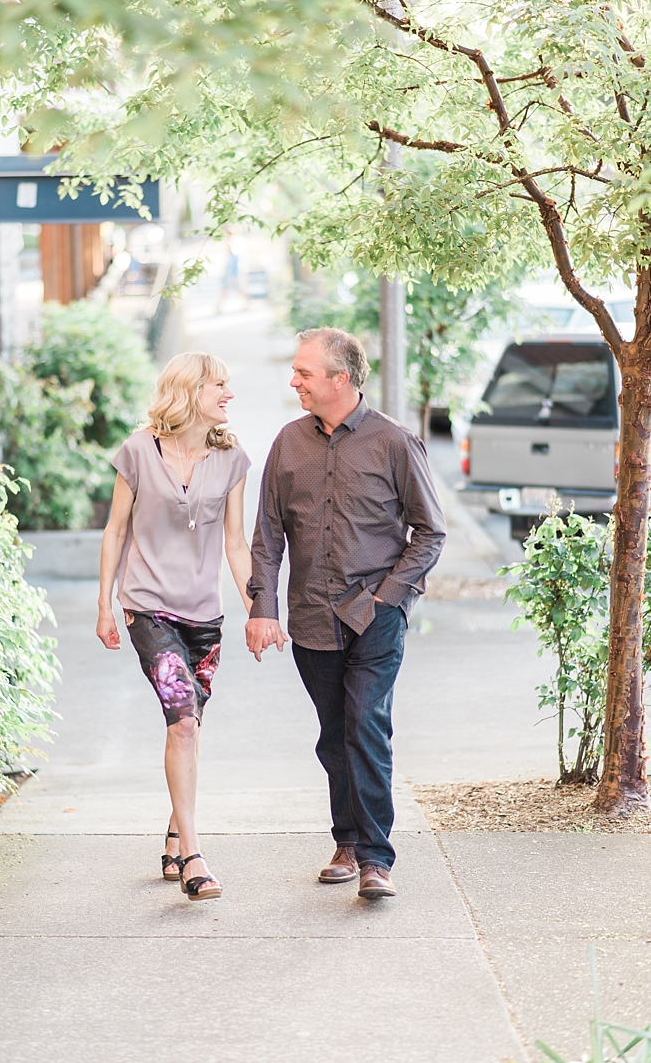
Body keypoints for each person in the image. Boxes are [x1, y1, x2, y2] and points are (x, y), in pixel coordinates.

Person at [245, 327, 444, 900]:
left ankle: (376, 859)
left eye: (304, 373)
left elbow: (429, 533)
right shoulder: (288, 443)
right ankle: (348, 840)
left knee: (364, 724)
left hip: (374, 616)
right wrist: (264, 607)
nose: (294, 381)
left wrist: (389, 599)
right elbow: (267, 535)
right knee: (335, 735)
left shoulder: (394, 443)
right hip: (310, 617)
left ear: (340, 378)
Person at [96, 352, 253, 901]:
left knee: (188, 725)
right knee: (183, 722)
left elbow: (236, 542)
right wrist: (104, 604)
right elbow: (115, 531)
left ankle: (171, 835)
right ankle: (193, 856)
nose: (229, 394)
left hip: (204, 617)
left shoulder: (232, 459)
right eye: (220, 384)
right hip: (149, 608)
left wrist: (259, 607)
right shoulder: (139, 451)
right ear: (190, 391)